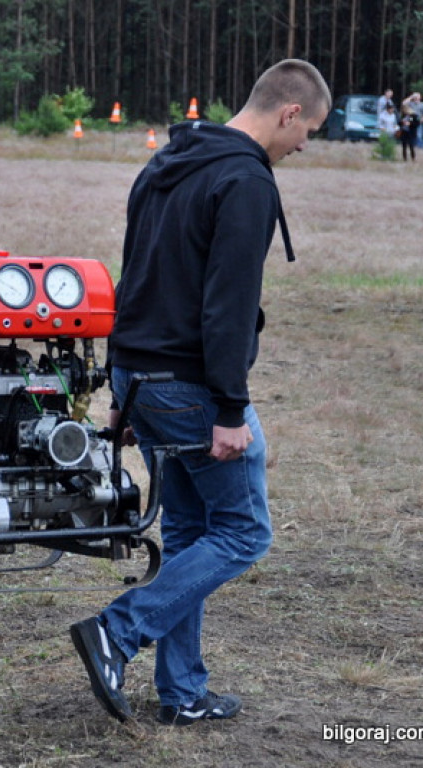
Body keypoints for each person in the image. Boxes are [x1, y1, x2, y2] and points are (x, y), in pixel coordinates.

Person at [69, 59, 330, 727]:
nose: (305, 147)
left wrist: (121, 386)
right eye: (310, 132)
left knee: (189, 533)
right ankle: (118, 631)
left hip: (143, 376)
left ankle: (182, 692)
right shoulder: (245, 180)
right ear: (289, 113)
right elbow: (229, 307)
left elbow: (134, 277)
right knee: (244, 532)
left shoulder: (167, 162)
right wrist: (231, 409)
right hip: (189, 387)